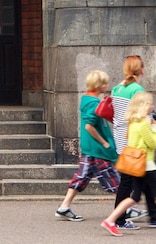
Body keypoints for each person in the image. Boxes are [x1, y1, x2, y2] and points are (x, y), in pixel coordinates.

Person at [101, 92, 156, 238]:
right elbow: (152, 143)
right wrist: (154, 127)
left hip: (136, 165)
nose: (152, 106)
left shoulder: (133, 122)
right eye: (150, 103)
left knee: (134, 197)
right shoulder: (144, 123)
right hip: (146, 165)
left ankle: (111, 220)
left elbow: (135, 140)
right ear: (143, 106)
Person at [54, 70, 120, 222]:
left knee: (81, 177)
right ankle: (126, 209)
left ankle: (64, 207)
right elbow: (89, 126)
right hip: (98, 149)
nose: (107, 85)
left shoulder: (87, 101)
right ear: (98, 86)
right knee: (113, 179)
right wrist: (104, 142)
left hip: (90, 148)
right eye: (104, 83)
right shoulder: (94, 104)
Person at [110, 55, 156, 229]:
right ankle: (119, 220)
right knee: (128, 181)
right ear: (141, 70)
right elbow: (144, 115)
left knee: (143, 176)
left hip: (120, 137)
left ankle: (153, 216)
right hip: (134, 139)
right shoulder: (137, 89)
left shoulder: (116, 88)